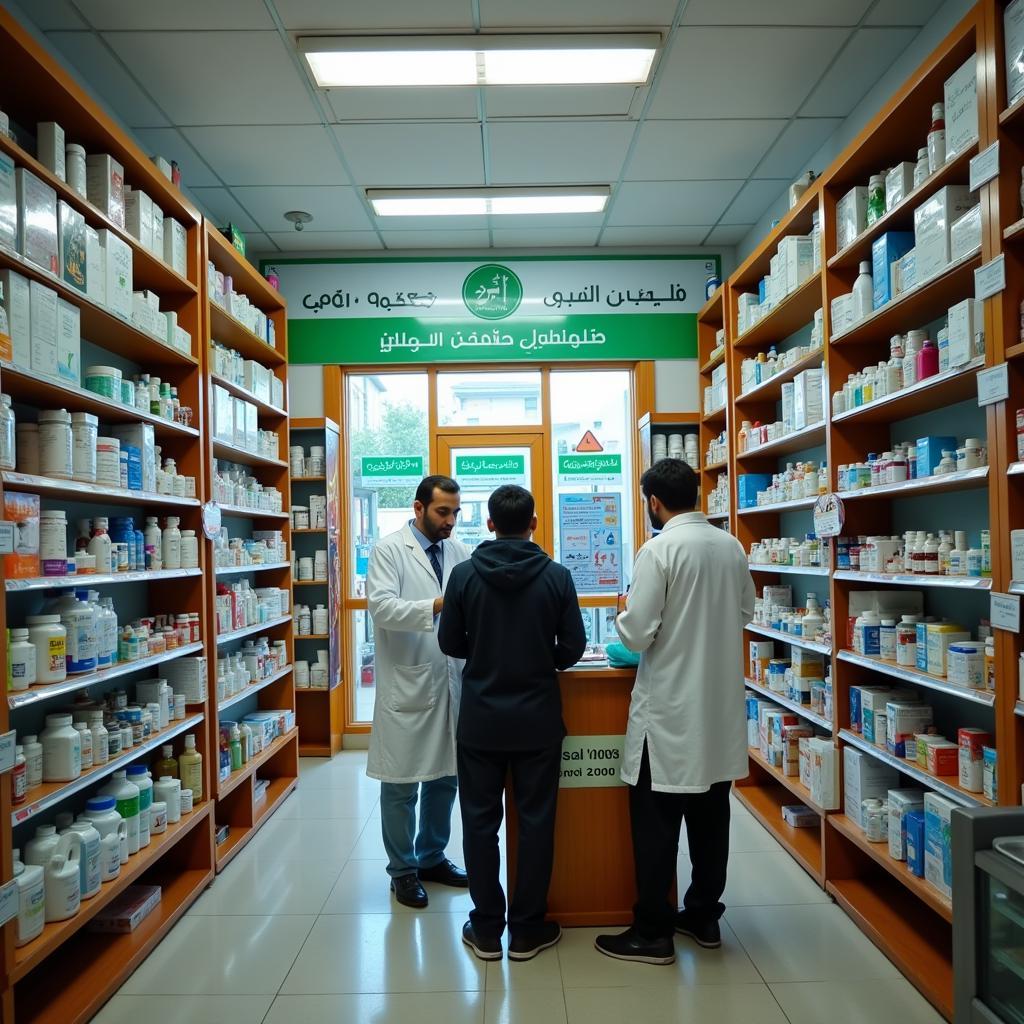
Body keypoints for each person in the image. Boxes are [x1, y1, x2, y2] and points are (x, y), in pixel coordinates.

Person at [595, 458, 754, 965]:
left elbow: (638, 632)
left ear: (655, 503)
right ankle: (704, 918)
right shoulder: (730, 546)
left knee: (656, 826)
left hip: (667, 716)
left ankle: (652, 933)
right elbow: (747, 612)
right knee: (711, 823)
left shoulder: (658, 549)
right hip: (717, 712)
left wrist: (623, 611)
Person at [437, 485, 586, 962]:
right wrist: (542, 659)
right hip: (538, 722)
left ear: (489, 524)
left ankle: (485, 930)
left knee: (480, 825)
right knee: (537, 824)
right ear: (534, 524)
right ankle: (525, 930)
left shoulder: (463, 576)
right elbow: (573, 649)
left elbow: (450, 644)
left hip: (480, 722)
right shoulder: (557, 577)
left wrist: (485, 654)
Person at [366, 475, 472, 908]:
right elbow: (382, 607)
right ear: (418, 508)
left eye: (455, 513)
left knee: (446, 777)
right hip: (408, 680)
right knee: (401, 784)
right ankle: (403, 870)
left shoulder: (459, 551)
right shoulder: (390, 550)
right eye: (442, 512)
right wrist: (438, 604)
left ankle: (431, 856)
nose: (450, 522)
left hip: (451, 678)